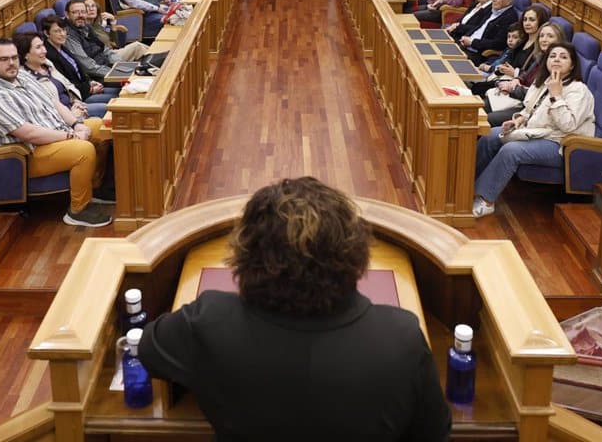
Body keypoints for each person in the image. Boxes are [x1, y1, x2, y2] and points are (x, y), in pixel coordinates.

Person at [139, 177, 451, 442]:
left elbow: (148, 350)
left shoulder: (208, 323)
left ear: (246, 253)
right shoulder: (401, 339)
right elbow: (434, 432)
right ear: (353, 252)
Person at [0, 38, 113, 227]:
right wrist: (70, 136)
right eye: (4, 59)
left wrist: (76, 124)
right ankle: (78, 209)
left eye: (14, 58)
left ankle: (96, 188)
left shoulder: (22, 76)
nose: (11, 63)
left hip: (56, 134)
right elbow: (29, 134)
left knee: (99, 126)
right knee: (82, 150)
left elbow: (53, 103)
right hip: (29, 155)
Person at [472, 43, 595, 217]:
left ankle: (486, 200)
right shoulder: (545, 81)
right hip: (535, 131)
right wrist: (519, 119)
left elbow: (568, 126)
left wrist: (556, 96)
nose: (557, 59)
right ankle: (468, 186)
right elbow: (531, 110)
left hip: (560, 144)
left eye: (563, 57)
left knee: (511, 150)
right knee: (489, 136)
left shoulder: (578, 90)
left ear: (572, 64)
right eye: (553, 56)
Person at [16, 31, 111, 121]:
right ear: (25, 54)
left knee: (111, 108)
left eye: (43, 46)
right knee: (107, 111)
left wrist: (76, 102)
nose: (44, 50)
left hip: (75, 106)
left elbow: (68, 84)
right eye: (38, 47)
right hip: (64, 118)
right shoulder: (27, 78)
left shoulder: (47, 64)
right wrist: (72, 114)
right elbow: (47, 110)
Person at [483, 20, 564, 125]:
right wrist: (517, 79)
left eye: (550, 36)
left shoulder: (555, 64)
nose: (544, 39)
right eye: (542, 36)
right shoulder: (540, 56)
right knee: (481, 106)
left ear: (559, 40)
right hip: (519, 96)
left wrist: (512, 89)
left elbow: (537, 95)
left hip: (528, 106)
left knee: (488, 117)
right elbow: (526, 75)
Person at [40, 15, 118, 111]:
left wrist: (90, 82)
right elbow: (66, 84)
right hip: (78, 98)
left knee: (121, 92)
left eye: (64, 30)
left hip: (86, 87)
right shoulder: (49, 55)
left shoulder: (62, 47)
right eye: (57, 31)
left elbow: (78, 71)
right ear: (47, 33)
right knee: (118, 100)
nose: (62, 34)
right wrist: (90, 89)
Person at [64, 0, 137, 81]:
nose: (80, 15)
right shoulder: (69, 35)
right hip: (97, 77)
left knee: (142, 73)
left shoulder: (88, 26)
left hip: (107, 64)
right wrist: (114, 73)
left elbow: (105, 48)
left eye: (83, 12)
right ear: (67, 14)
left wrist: (121, 65)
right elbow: (89, 67)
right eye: (75, 12)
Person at [450, 0, 519, 64]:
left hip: (478, 54)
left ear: (508, 1)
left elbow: (498, 43)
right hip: (466, 44)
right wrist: (466, 38)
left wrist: (472, 42)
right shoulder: (492, 9)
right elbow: (477, 27)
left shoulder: (510, 17)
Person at [84, 0, 149, 61]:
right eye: (87, 6)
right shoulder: (86, 30)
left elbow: (114, 40)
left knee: (144, 48)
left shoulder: (98, 25)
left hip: (113, 52)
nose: (91, 9)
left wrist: (113, 22)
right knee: (138, 47)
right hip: (107, 58)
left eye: (93, 6)